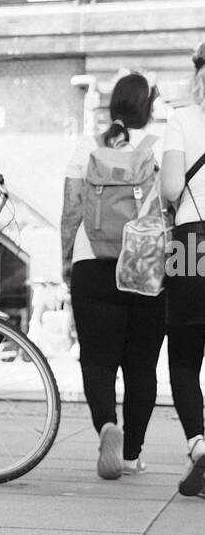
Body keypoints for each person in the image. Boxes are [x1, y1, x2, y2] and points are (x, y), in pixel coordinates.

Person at [61, 72, 165, 479]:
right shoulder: (159, 148)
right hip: (146, 264)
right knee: (141, 365)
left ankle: (107, 425)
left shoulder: (86, 147)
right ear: (150, 107)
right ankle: (131, 454)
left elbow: (71, 209)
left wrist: (67, 259)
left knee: (98, 361)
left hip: (92, 264)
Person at [159, 42, 205, 498]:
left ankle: (199, 443)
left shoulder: (181, 119)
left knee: (185, 355)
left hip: (191, 243)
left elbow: (171, 188)